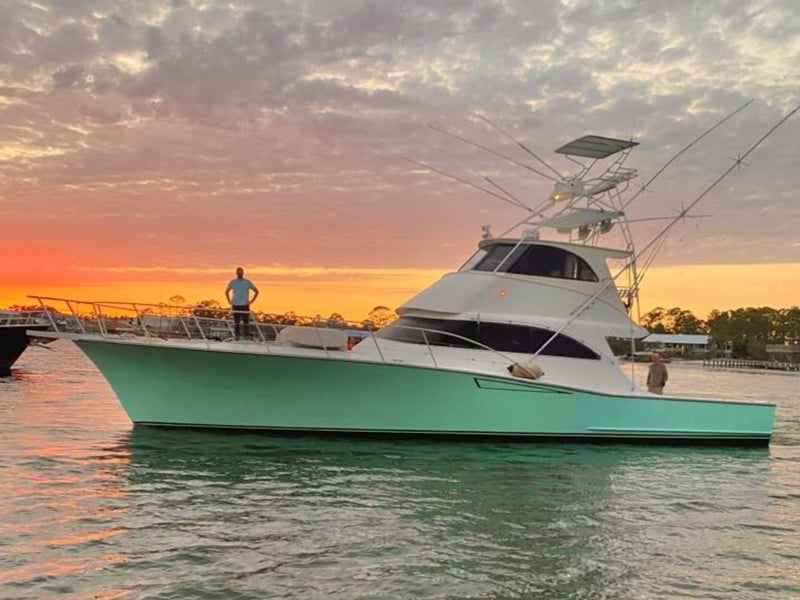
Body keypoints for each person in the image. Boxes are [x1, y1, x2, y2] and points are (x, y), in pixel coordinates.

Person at [225, 267, 259, 340]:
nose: (239, 273)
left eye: (241, 272)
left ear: (243, 273)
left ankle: (246, 336)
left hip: (244, 305)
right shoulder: (232, 282)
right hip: (235, 304)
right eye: (238, 272)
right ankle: (236, 336)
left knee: (246, 321)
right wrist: (229, 301)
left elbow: (256, 291)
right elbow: (226, 291)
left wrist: (252, 301)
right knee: (236, 321)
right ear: (236, 273)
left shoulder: (247, 282)